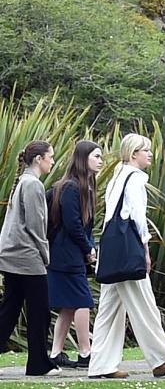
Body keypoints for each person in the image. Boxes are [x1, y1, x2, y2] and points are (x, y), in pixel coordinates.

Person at [88, 134, 165, 379]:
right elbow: (136, 217)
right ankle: (163, 359)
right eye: (146, 150)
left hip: (112, 252)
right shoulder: (135, 179)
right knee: (144, 304)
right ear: (134, 153)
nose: (150, 154)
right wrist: (145, 249)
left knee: (109, 309)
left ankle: (101, 365)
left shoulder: (117, 177)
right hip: (127, 252)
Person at [0, 140, 61, 376]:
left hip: (12, 254)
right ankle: (38, 363)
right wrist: (45, 254)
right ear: (39, 159)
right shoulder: (33, 185)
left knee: (10, 308)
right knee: (39, 311)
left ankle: (38, 362)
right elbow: (36, 226)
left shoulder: (22, 182)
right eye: (50, 156)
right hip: (26, 257)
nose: (53, 161)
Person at [46, 140, 102, 370]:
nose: (100, 161)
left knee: (69, 305)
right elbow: (73, 224)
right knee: (82, 301)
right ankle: (85, 352)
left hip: (69, 253)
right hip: (65, 254)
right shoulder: (70, 187)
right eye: (96, 156)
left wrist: (89, 246)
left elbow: (83, 226)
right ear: (83, 158)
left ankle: (56, 352)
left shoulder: (83, 186)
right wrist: (87, 248)